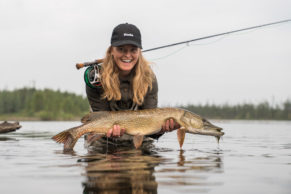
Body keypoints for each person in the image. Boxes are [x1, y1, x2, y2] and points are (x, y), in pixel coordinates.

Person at [85, 23, 179, 147]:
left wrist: (162, 129)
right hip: (103, 140)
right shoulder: (96, 78)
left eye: (133, 50)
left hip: (141, 140)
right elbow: (99, 118)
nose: (127, 55)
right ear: (111, 50)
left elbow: (151, 129)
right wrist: (109, 131)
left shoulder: (149, 78)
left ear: (139, 52)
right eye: (121, 49)